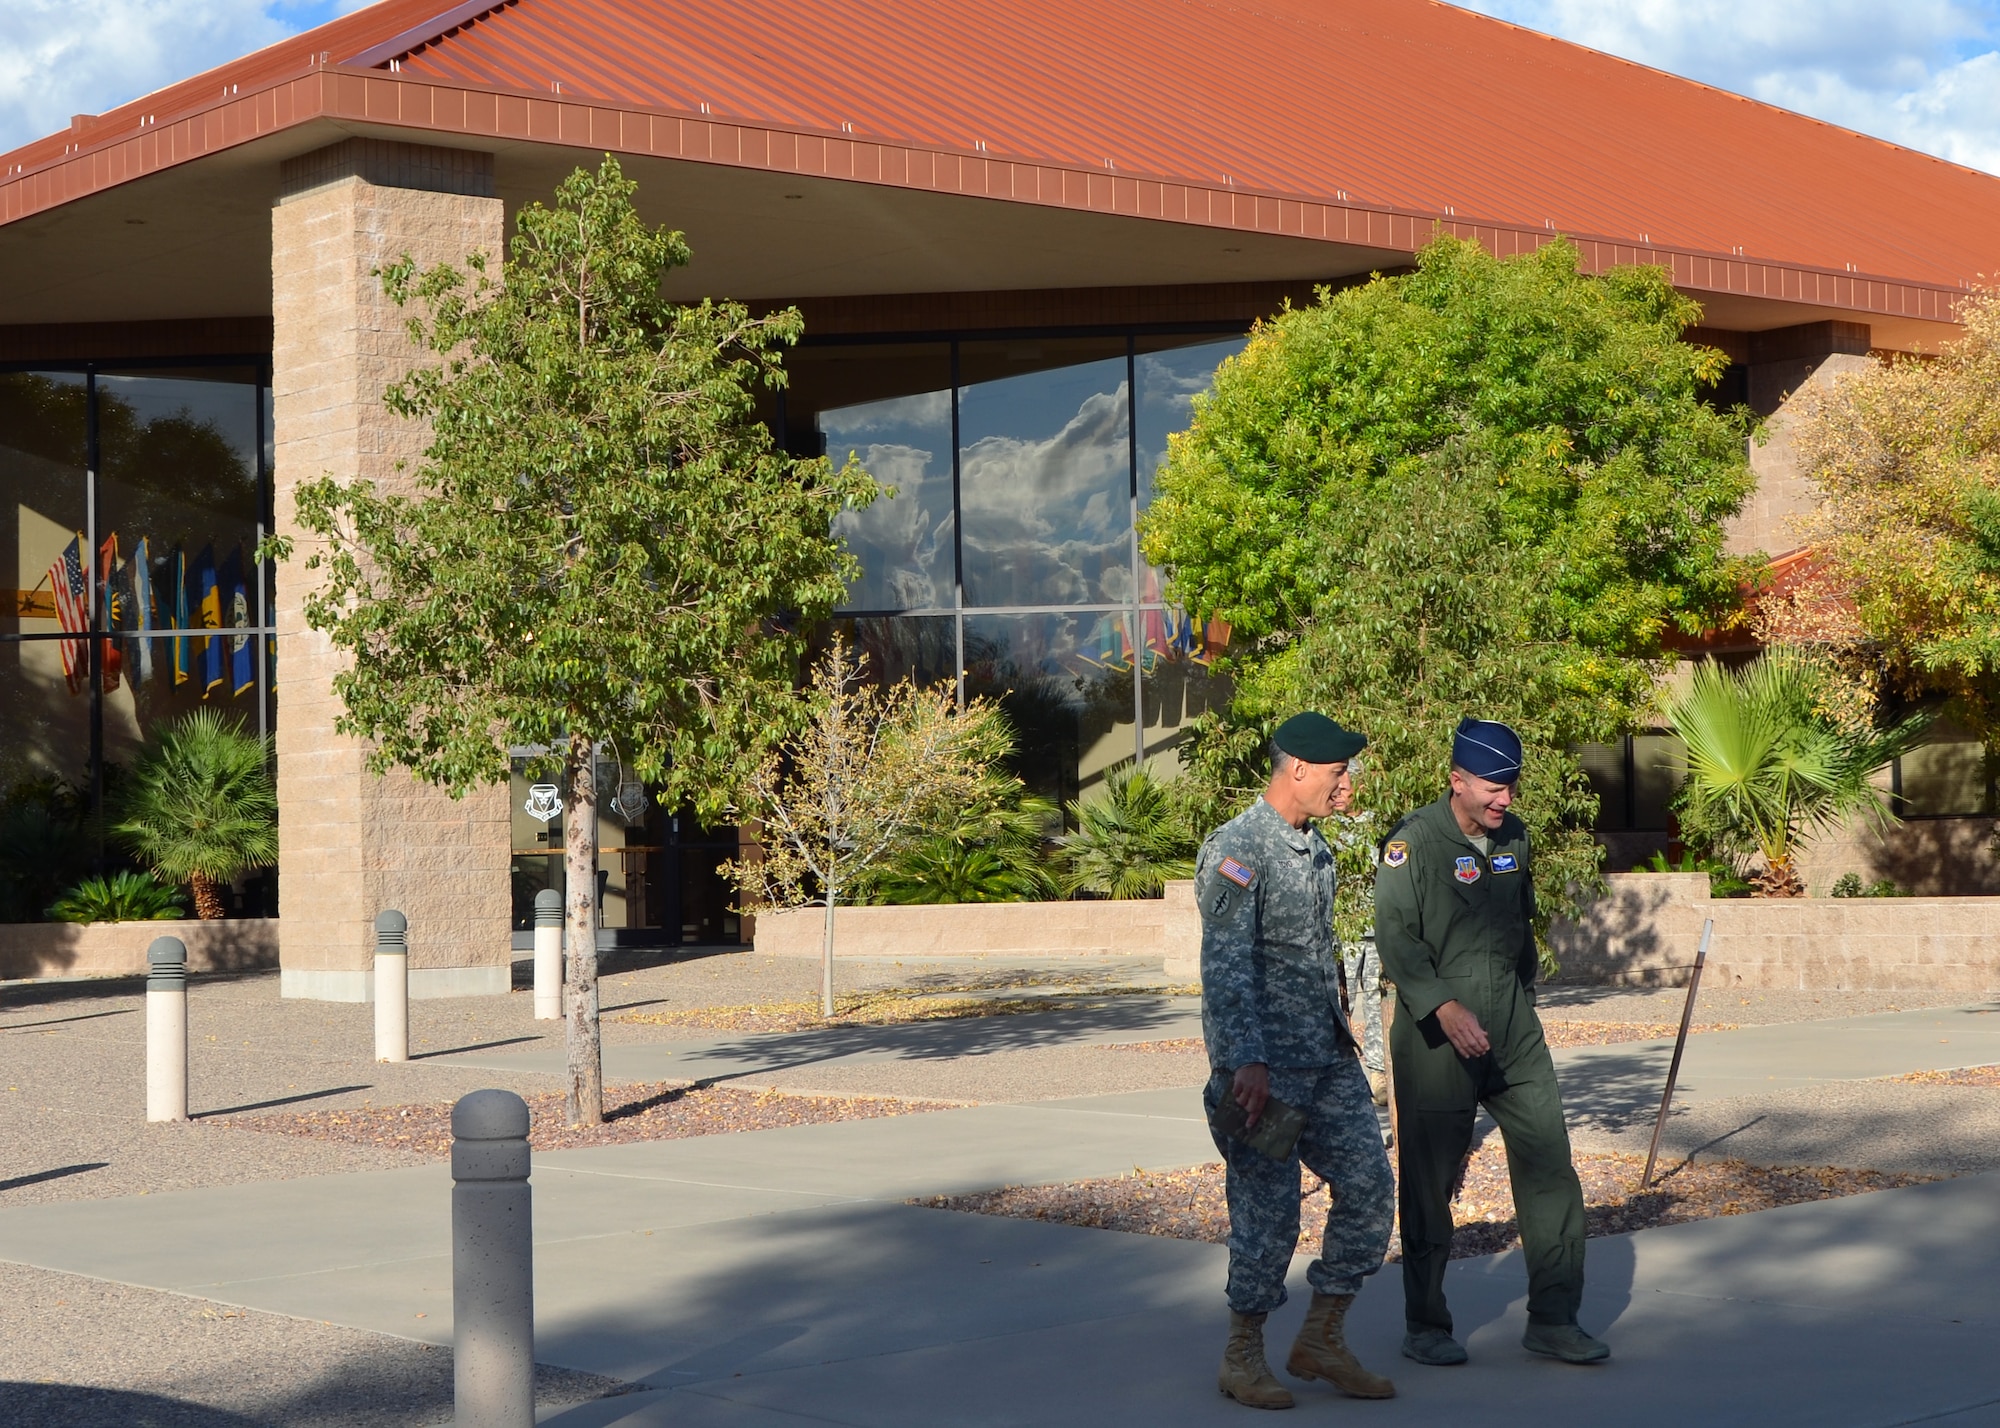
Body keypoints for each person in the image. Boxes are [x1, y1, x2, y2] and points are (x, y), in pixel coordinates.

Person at [1374, 718, 1607, 1367]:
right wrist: (1443, 1005)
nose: (1504, 799)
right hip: (1438, 1036)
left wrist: (1519, 998)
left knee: (1548, 1161)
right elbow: (1396, 937)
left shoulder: (1517, 838)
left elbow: (1519, 925)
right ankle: (1425, 1325)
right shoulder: (1412, 844)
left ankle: (1556, 1318)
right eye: (1493, 787)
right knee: (1429, 1179)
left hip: (1511, 1026)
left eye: (1510, 786)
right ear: (1457, 781)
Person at [1198, 711, 1398, 1409]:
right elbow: (1226, 966)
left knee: (1371, 1191)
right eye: (1340, 772)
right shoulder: (1238, 849)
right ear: (1299, 770)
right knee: (1269, 1216)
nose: (1347, 784)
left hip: (1325, 1060)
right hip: (1265, 1078)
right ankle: (1241, 1354)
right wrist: (1245, 1060)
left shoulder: (1314, 850)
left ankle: (1322, 1337)